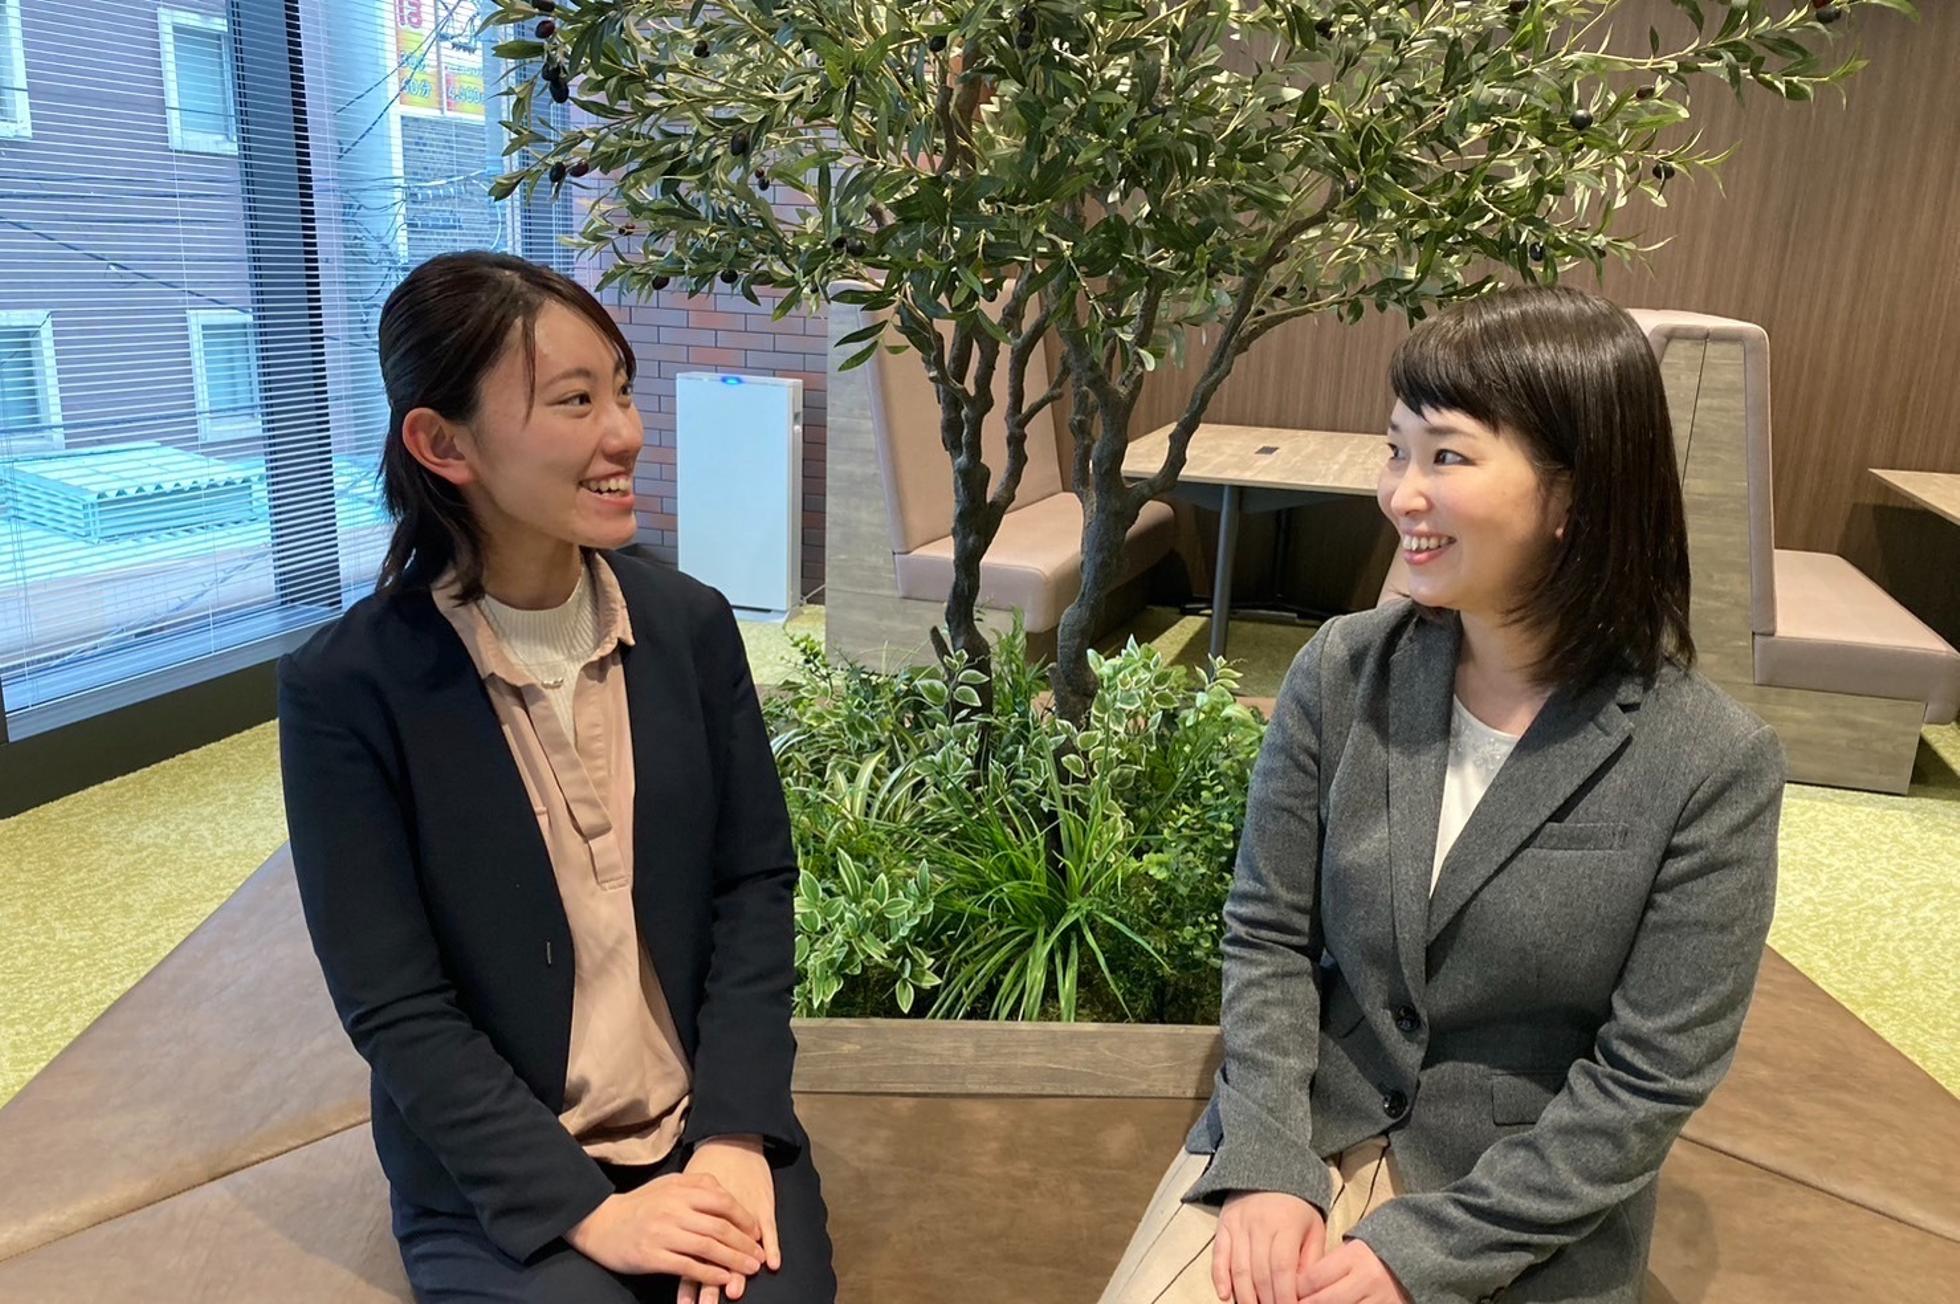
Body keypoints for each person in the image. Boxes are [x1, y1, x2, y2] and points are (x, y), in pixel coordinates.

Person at [1098, 285, 1783, 1304]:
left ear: (1575, 493)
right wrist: (1271, 1161)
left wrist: (1421, 1253)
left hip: (1516, 1205)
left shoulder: (1711, 761)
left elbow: (1649, 1077)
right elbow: (1268, 934)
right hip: (1309, 1129)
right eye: (1396, 451)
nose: (1401, 494)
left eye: (1447, 457)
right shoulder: (1343, 671)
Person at [278, 250, 835, 1303]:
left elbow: (754, 885)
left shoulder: (690, 625)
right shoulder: (347, 691)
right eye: (576, 401)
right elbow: (396, 1004)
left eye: (620, 390)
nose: (625, 432)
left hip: (701, 1127)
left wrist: (732, 1133)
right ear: (442, 443)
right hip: (505, 1172)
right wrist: (593, 1212)